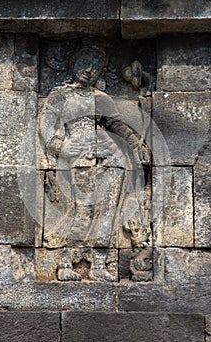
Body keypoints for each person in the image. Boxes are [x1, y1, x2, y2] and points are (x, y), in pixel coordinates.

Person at [39, 38, 148, 281]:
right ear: (73, 63)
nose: (89, 69)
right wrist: (62, 147)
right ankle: (66, 263)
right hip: (77, 158)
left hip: (111, 160)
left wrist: (136, 145)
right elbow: (45, 126)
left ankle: (99, 264)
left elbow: (117, 126)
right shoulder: (61, 96)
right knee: (81, 211)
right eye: (85, 62)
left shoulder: (101, 98)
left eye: (96, 66)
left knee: (107, 213)